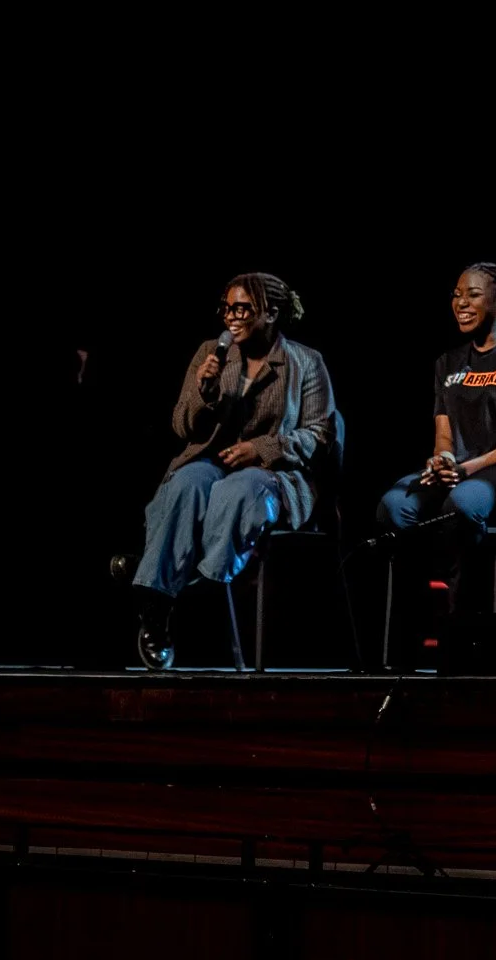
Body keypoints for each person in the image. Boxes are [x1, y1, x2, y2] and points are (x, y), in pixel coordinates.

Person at [121, 272, 338, 670]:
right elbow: (183, 429)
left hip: (275, 474)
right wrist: (203, 392)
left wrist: (261, 448)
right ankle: (157, 613)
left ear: (271, 313)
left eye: (242, 308)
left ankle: (183, 585)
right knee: (186, 483)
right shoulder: (212, 352)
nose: (231, 317)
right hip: (210, 464)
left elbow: (320, 434)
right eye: (226, 308)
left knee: (238, 491)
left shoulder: (306, 362)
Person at [374, 263, 496, 649]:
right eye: (457, 295)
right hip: (462, 472)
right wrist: (442, 460)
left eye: (473, 294)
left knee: (461, 503)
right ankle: (412, 626)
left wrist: (467, 467)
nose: (461, 302)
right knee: (395, 505)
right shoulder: (449, 363)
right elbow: (444, 434)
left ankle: (463, 627)